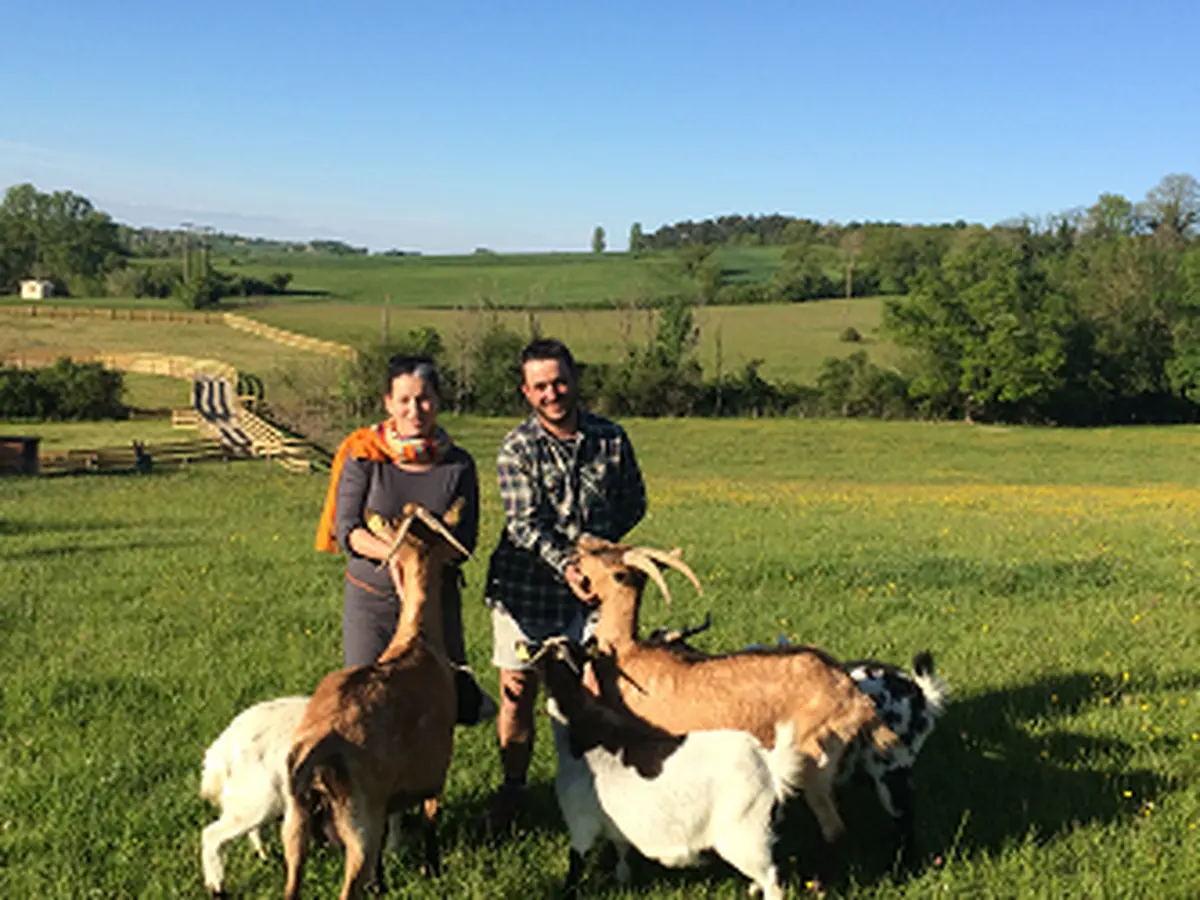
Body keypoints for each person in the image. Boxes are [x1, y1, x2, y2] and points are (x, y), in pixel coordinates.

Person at [483, 338, 647, 832]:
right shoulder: (518, 448)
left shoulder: (611, 439)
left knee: (600, 687)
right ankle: (514, 789)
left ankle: (598, 791)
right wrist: (570, 563)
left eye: (558, 382)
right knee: (518, 690)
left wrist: (598, 555)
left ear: (574, 380)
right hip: (526, 591)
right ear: (526, 392)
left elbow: (634, 501)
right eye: (540, 387)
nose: (551, 393)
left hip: (594, 593)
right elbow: (524, 525)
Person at [315, 354, 492, 723]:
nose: (415, 410)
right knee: (365, 706)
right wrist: (397, 555)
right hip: (374, 602)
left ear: (438, 401)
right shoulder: (364, 456)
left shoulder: (459, 465)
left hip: (435, 604)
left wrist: (421, 565)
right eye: (404, 400)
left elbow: (465, 542)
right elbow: (348, 530)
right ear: (388, 403)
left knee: (434, 709)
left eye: (424, 399)